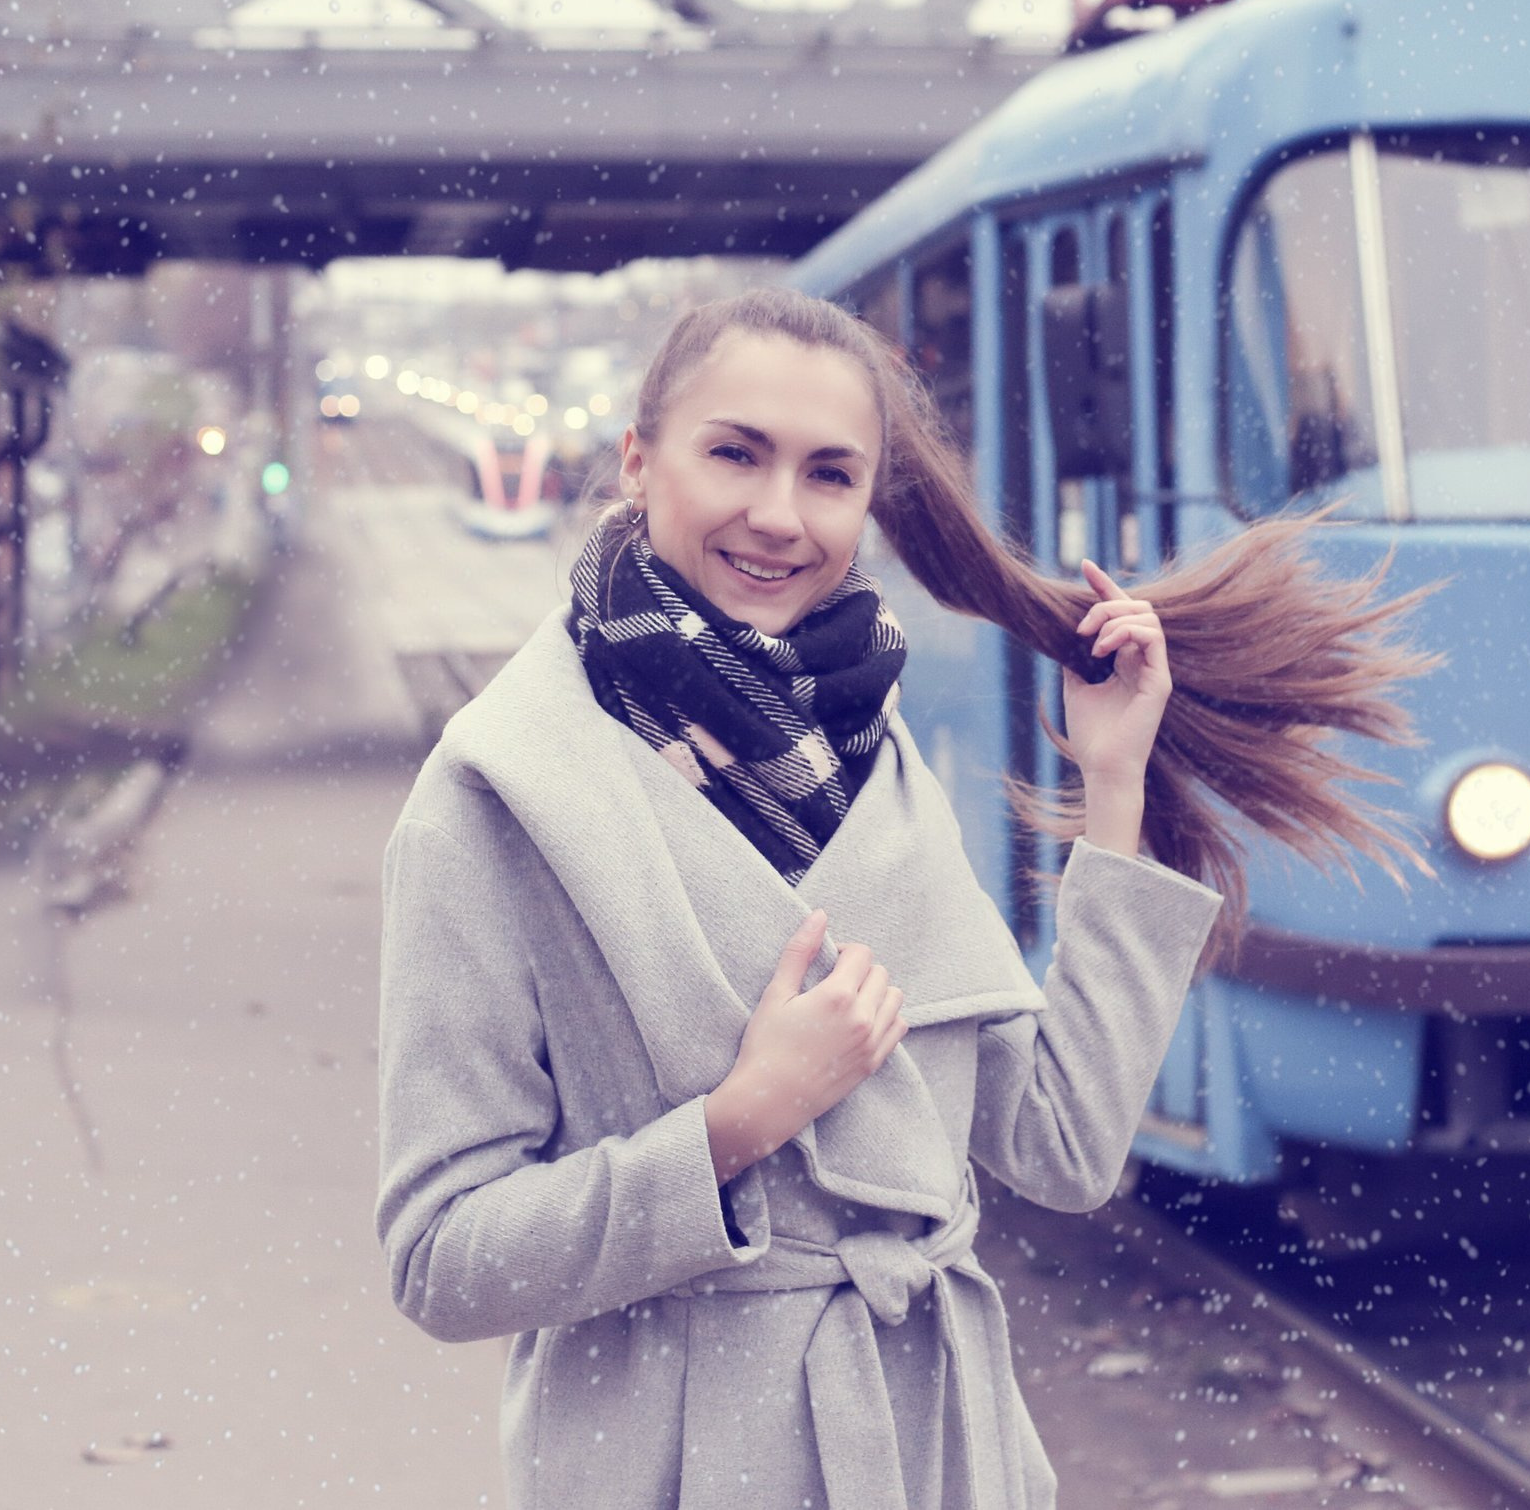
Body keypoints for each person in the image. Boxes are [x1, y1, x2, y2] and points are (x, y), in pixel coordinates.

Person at [375, 287, 1429, 1509]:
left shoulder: (870, 754)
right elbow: (440, 1255)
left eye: (830, 475)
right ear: (637, 461)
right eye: (734, 453)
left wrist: (1115, 779)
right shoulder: (494, 793)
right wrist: (738, 1121)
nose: (779, 515)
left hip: (938, 1453)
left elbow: (1064, 1145)